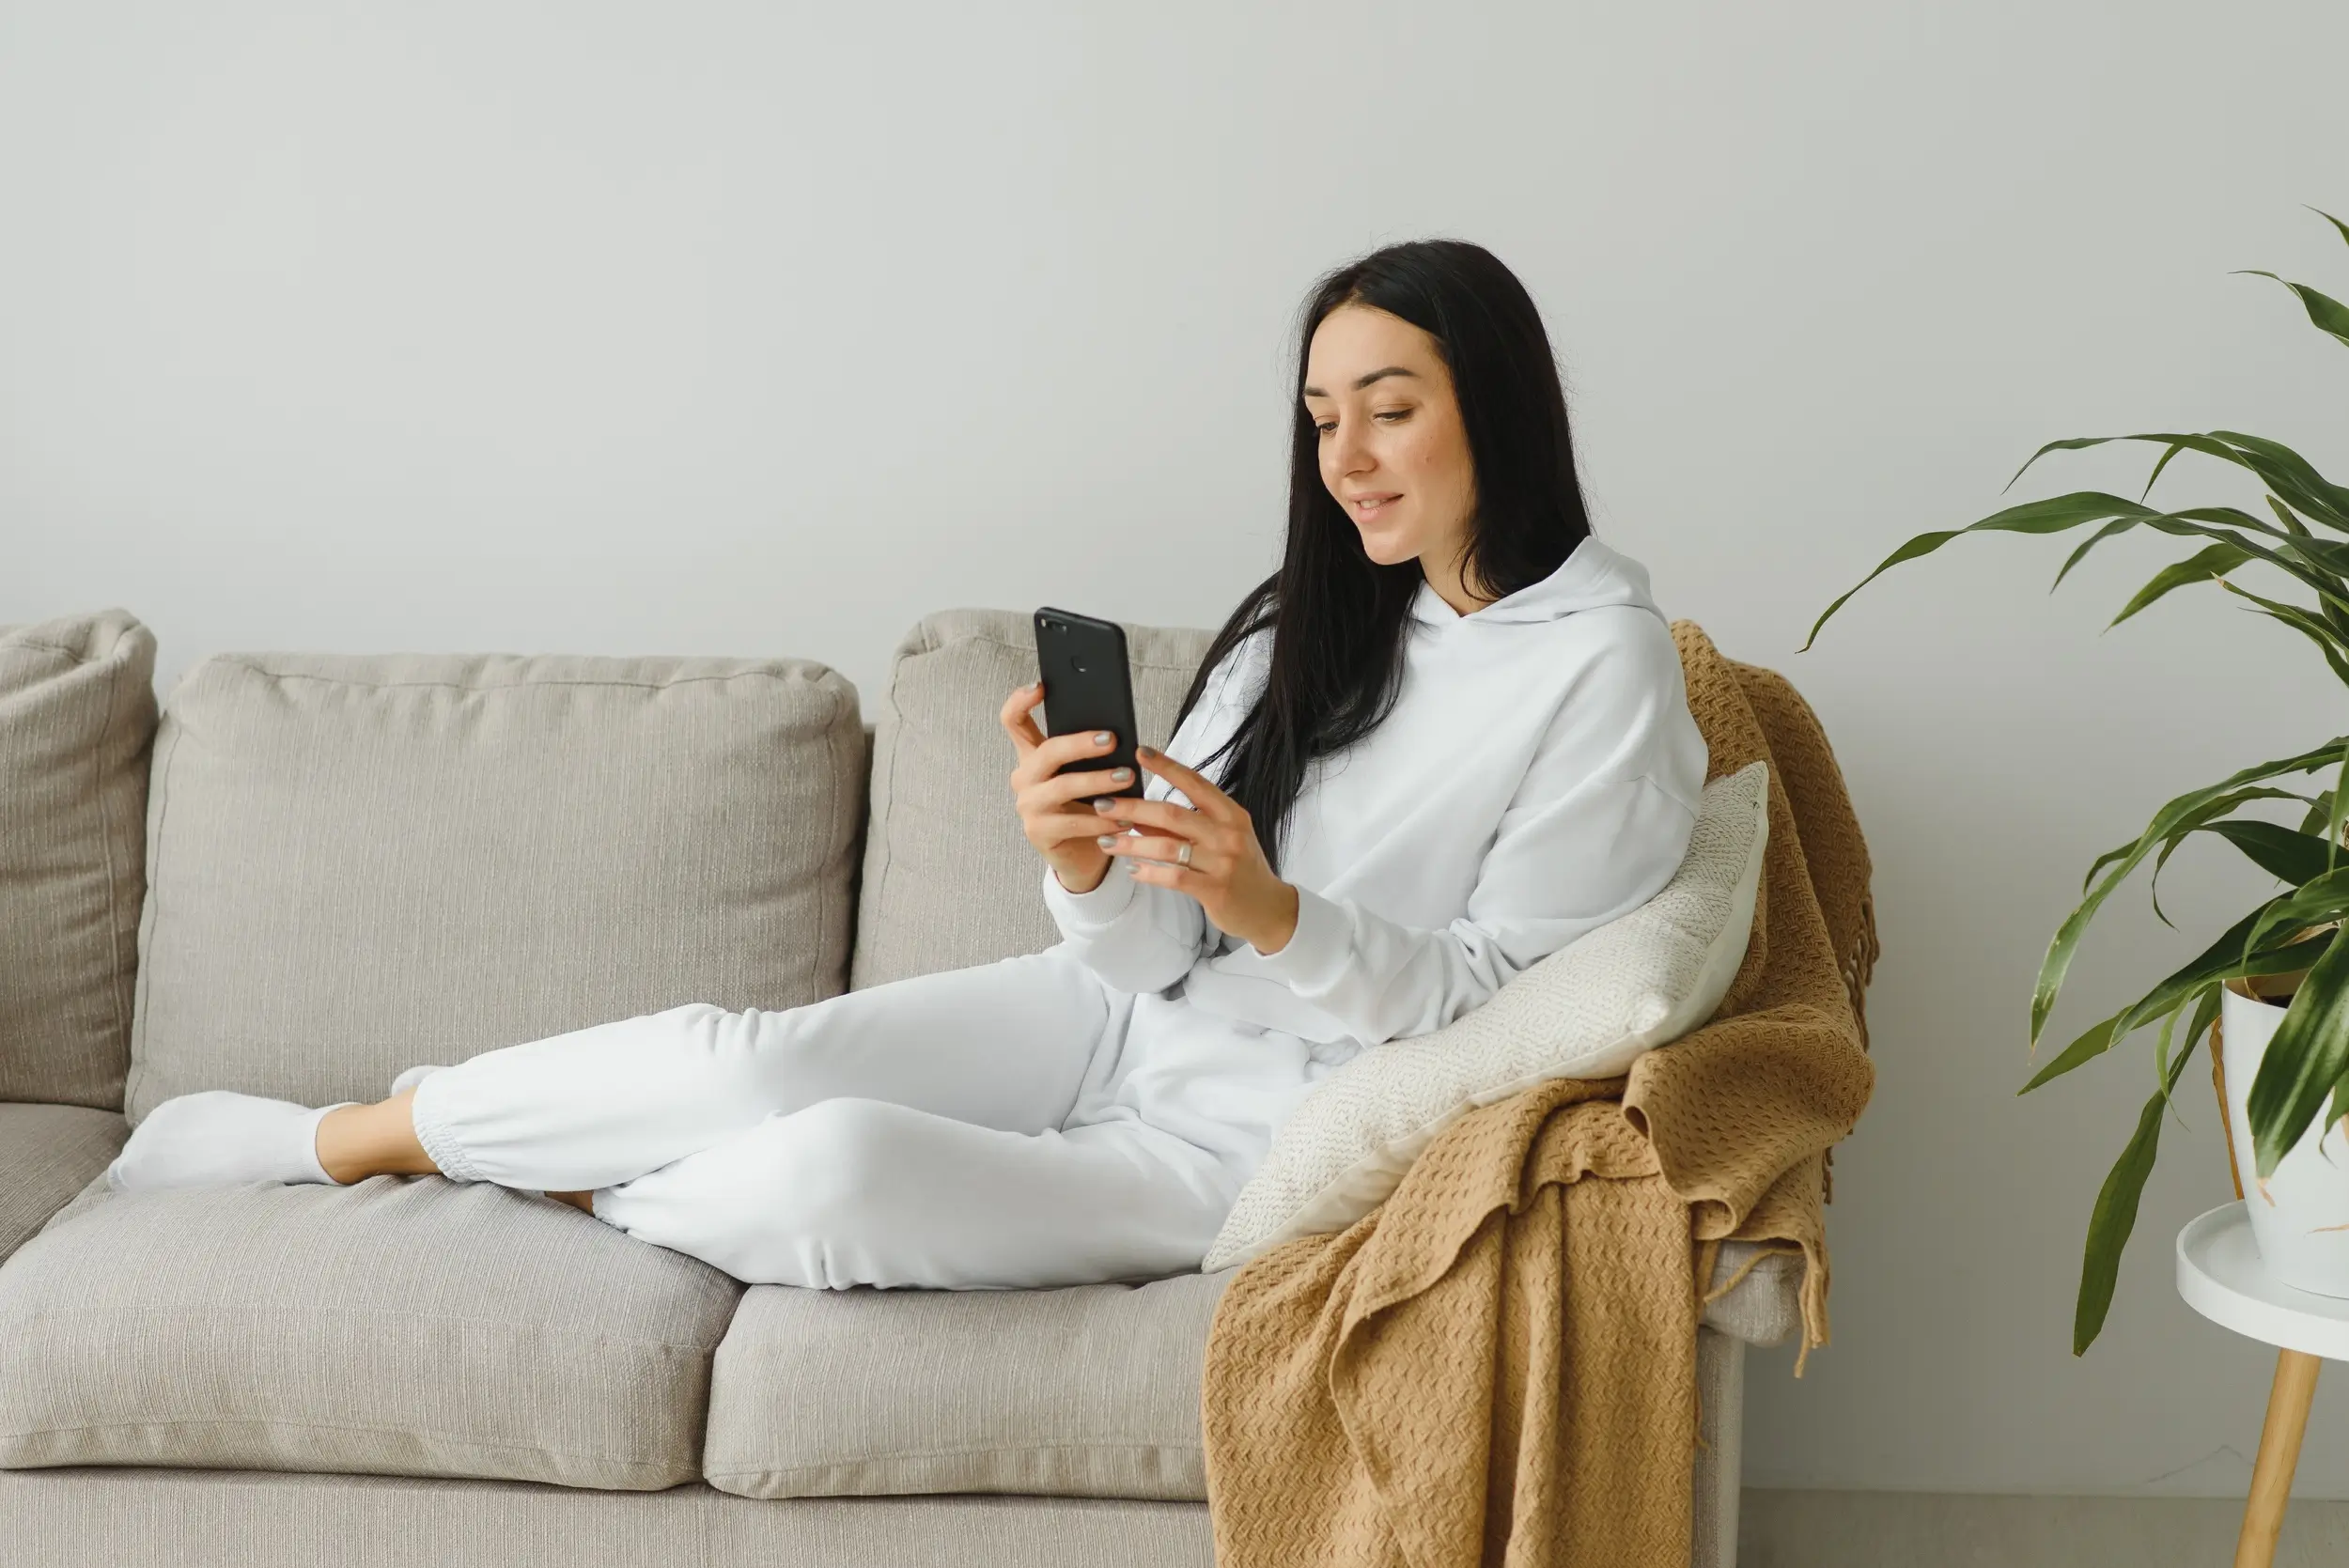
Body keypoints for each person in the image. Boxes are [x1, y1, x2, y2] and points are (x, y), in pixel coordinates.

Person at [104, 238, 1709, 1292]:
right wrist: (1088, 867)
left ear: (1491, 407)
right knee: (744, 1064)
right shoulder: (1317, 621)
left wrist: (1279, 914)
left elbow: (1506, 1012)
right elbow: (1149, 950)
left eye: (1388, 410)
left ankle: (581, 1183)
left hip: (1257, 1133)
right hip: (1112, 1016)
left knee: (833, 1173)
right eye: (1318, 419)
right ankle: (362, 1137)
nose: (1344, 458)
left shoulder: (1604, 669)